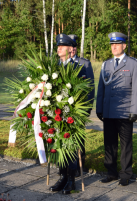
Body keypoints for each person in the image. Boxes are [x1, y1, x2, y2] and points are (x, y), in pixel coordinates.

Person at [96, 32, 137, 186]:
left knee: (125, 144)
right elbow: (101, 88)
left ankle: (125, 173)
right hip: (109, 111)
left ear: (124, 46)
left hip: (125, 112)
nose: (114, 47)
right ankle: (111, 172)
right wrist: (99, 108)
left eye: (117, 44)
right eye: (112, 44)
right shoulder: (106, 64)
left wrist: (134, 110)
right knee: (109, 143)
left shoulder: (133, 64)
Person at [49, 33, 86, 194]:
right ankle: (63, 177)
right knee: (59, 147)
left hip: (72, 115)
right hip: (56, 115)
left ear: (71, 49)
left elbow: (86, 91)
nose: (59, 48)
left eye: (62, 46)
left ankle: (71, 180)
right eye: (58, 46)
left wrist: (82, 113)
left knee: (71, 148)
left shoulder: (80, 67)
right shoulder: (54, 67)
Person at [68, 34, 95, 176]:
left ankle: (80, 165)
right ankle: (66, 166)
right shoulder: (60, 63)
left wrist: (88, 107)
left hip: (80, 108)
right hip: (64, 109)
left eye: (74, 47)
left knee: (78, 137)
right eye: (69, 47)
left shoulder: (85, 63)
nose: (71, 49)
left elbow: (90, 87)